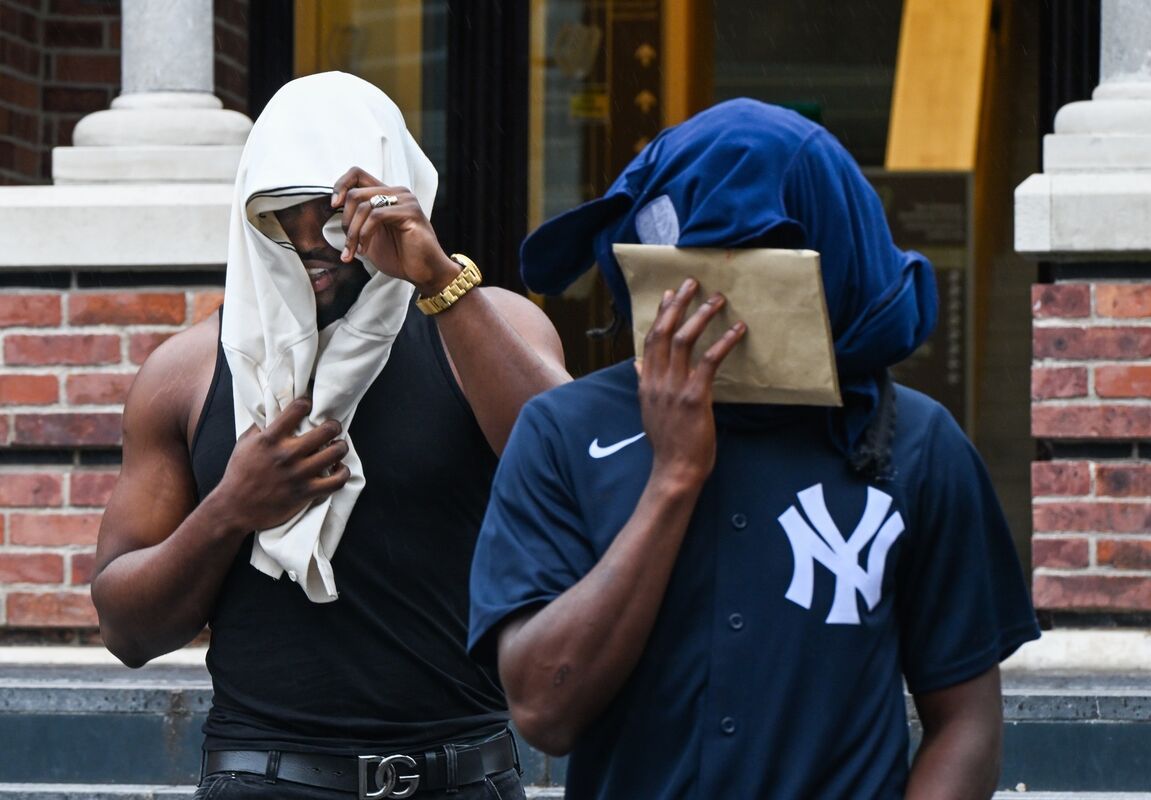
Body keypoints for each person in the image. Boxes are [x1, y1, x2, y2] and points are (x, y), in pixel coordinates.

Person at [468, 99, 1040, 799]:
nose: (708, 300)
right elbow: (542, 712)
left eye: (741, 267)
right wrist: (673, 478)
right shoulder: (565, 432)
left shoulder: (915, 445)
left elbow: (966, 723)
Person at [91, 72, 568, 799]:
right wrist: (229, 510)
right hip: (266, 776)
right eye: (286, 208)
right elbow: (127, 631)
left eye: (338, 210)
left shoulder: (483, 326)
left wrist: (437, 276)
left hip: (461, 771)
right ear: (251, 209)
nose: (312, 236)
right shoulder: (187, 375)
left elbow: (573, 476)